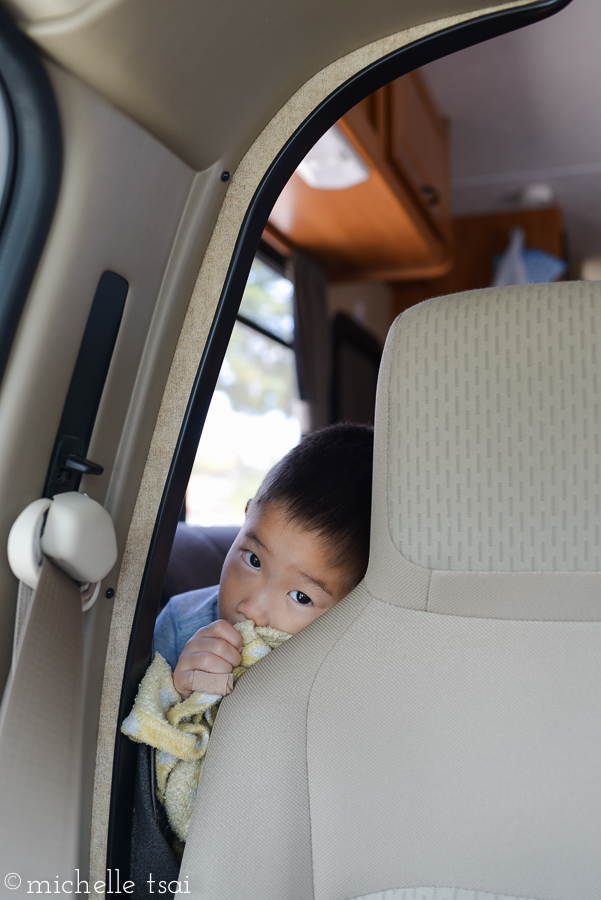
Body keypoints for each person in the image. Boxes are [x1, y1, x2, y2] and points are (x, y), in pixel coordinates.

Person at [154, 422, 374, 699]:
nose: (253, 610)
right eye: (254, 561)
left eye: (301, 597)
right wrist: (177, 695)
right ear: (246, 518)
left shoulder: (347, 675)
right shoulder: (180, 625)